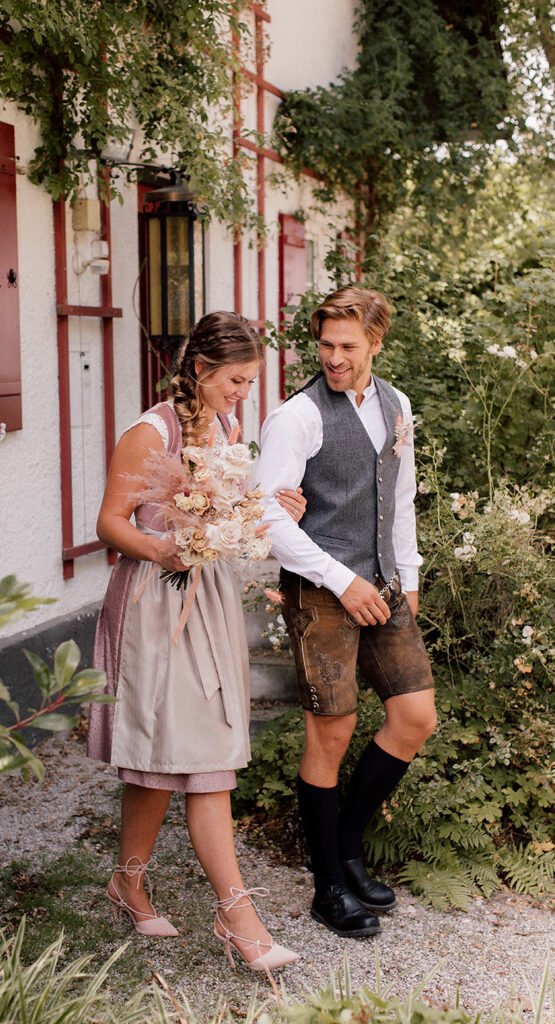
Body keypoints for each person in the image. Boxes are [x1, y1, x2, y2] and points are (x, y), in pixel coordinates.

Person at [87, 311, 303, 973]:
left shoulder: (229, 428)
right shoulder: (149, 432)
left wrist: (270, 509)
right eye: (235, 380)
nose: (243, 393)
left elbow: (229, 514)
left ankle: (127, 880)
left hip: (205, 602)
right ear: (201, 369)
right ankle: (239, 919)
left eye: (249, 382)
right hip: (154, 603)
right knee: (191, 756)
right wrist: (165, 548)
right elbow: (108, 522)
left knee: (180, 752)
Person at [254, 287, 437, 938]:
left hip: (384, 584)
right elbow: (267, 516)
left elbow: (401, 496)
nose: (333, 357)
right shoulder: (295, 417)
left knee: (414, 717)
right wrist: (340, 580)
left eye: (347, 346)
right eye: (325, 344)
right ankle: (329, 883)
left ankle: (345, 848)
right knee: (330, 732)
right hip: (319, 587)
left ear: (375, 344)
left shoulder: (397, 406)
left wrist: (406, 577)